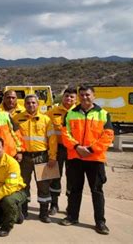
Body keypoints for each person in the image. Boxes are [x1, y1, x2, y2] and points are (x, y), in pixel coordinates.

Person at [60, 85, 114, 235]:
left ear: (94, 96)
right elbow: (65, 134)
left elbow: (108, 136)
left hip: (95, 159)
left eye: (87, 95)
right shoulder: (71, 113)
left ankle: (100, 222)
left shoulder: (103, 114)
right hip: (75, 158)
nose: (84, 97)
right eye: (82, 95)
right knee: (75, 190)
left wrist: (90, 150)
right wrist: (77, 147)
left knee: (96, 191)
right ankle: (72, 216)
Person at [13, 94, 57, 223]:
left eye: (33, 103)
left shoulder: (46, 120)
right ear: (24, 104)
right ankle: (24, 211)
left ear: (38, 104)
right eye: (28, 103)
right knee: (23, 185)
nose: (31, 105)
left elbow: (53, 140)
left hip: (42, 157)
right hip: (24, 157)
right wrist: (18, 151)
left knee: (44, 186)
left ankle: (44, 213)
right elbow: (14, 137)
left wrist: (52, 157)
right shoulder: (17, 118)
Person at [46, 87, 77, 215]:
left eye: (72, 97)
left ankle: (70, 206)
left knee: (72, 178)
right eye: (66, 96)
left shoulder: (78, 112)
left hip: (73, 150)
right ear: (62, 97)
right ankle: (54, 204)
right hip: (57, 149)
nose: (68, 98)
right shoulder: (52, 112)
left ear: (76, 99)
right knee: (54, 177)